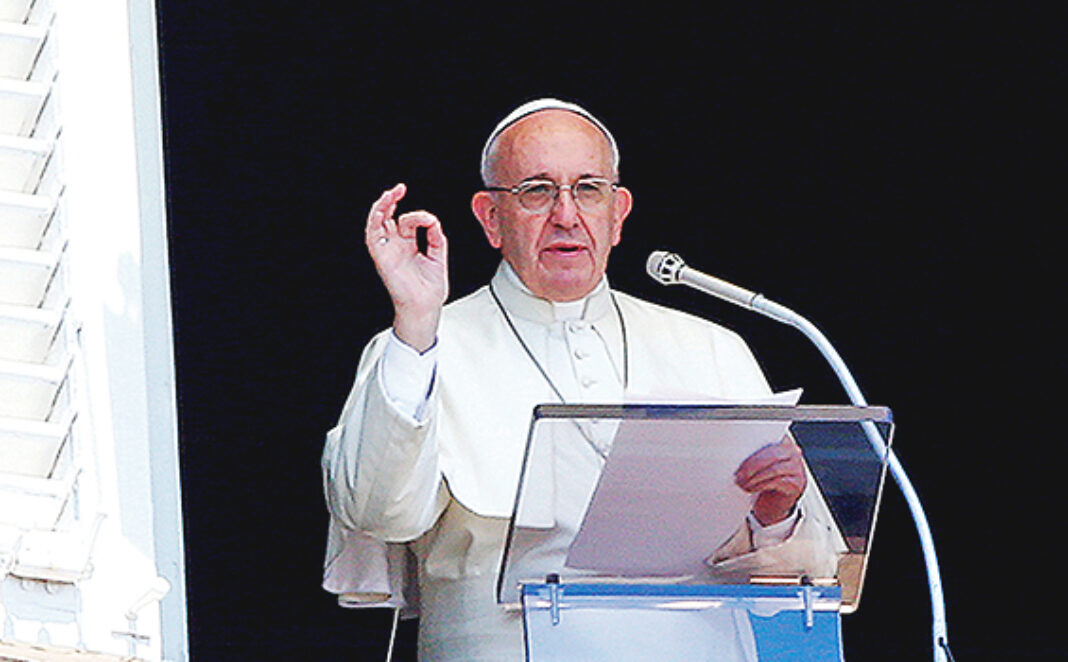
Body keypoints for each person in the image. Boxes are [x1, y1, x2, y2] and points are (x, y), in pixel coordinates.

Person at [322, 99, 844, 660]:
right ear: (490, 218)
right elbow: (378, 510)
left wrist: (776, 516)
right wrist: (417, 321)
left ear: (618, 214)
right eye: (538, 191)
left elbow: (805, 582)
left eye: (589, 190)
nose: (566, 215)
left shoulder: (710, 348)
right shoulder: (422, 346)